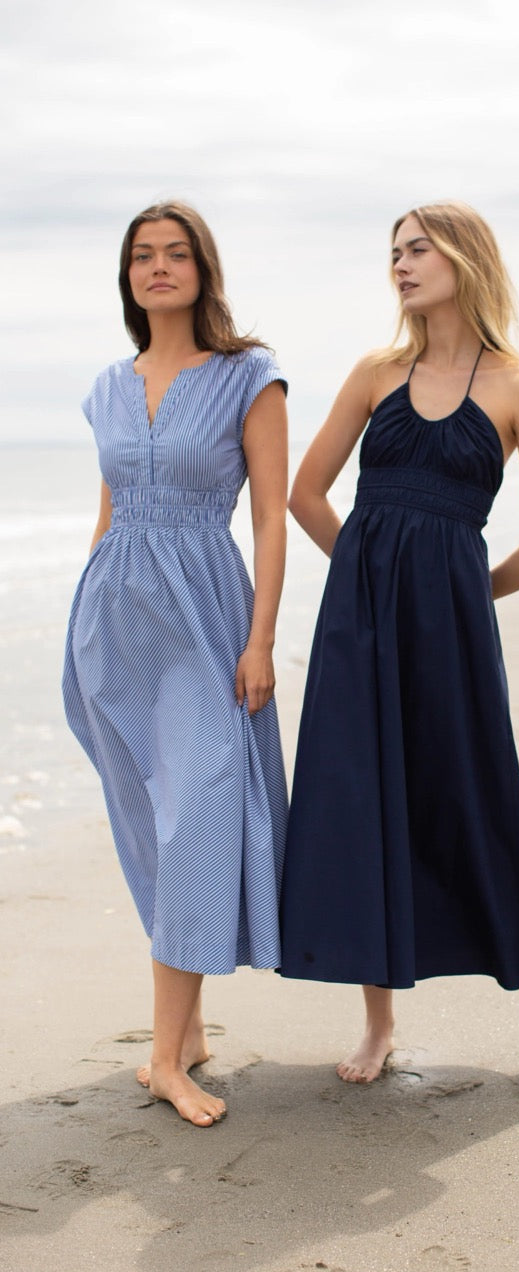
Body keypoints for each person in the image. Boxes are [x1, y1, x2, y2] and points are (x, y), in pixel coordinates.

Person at [280, 201, 519, 1098]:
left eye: (418, 249)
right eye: (394, 252)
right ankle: (379, 1022)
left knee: (480, 798)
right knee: (369, 805)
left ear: (464, 257)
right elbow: (306, 495)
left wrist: (462, 596)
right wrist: (368, 579)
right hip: (359, 632)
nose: (401, 265)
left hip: (451, 635)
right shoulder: (377, 372)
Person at [63, 201, 288, 1126]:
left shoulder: (250, 376)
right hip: (114, 627)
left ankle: (162, 1059)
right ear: (128, 277)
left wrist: (263, 638)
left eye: (176, 254)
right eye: (143, 257)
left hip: (207, 621)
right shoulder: (110, 387)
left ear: (203, 270)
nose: (159, 268)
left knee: (196, 821)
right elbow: (110, 508)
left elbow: (272, 515)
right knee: (151, 830)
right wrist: (84, 622)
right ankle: (185, 1032)